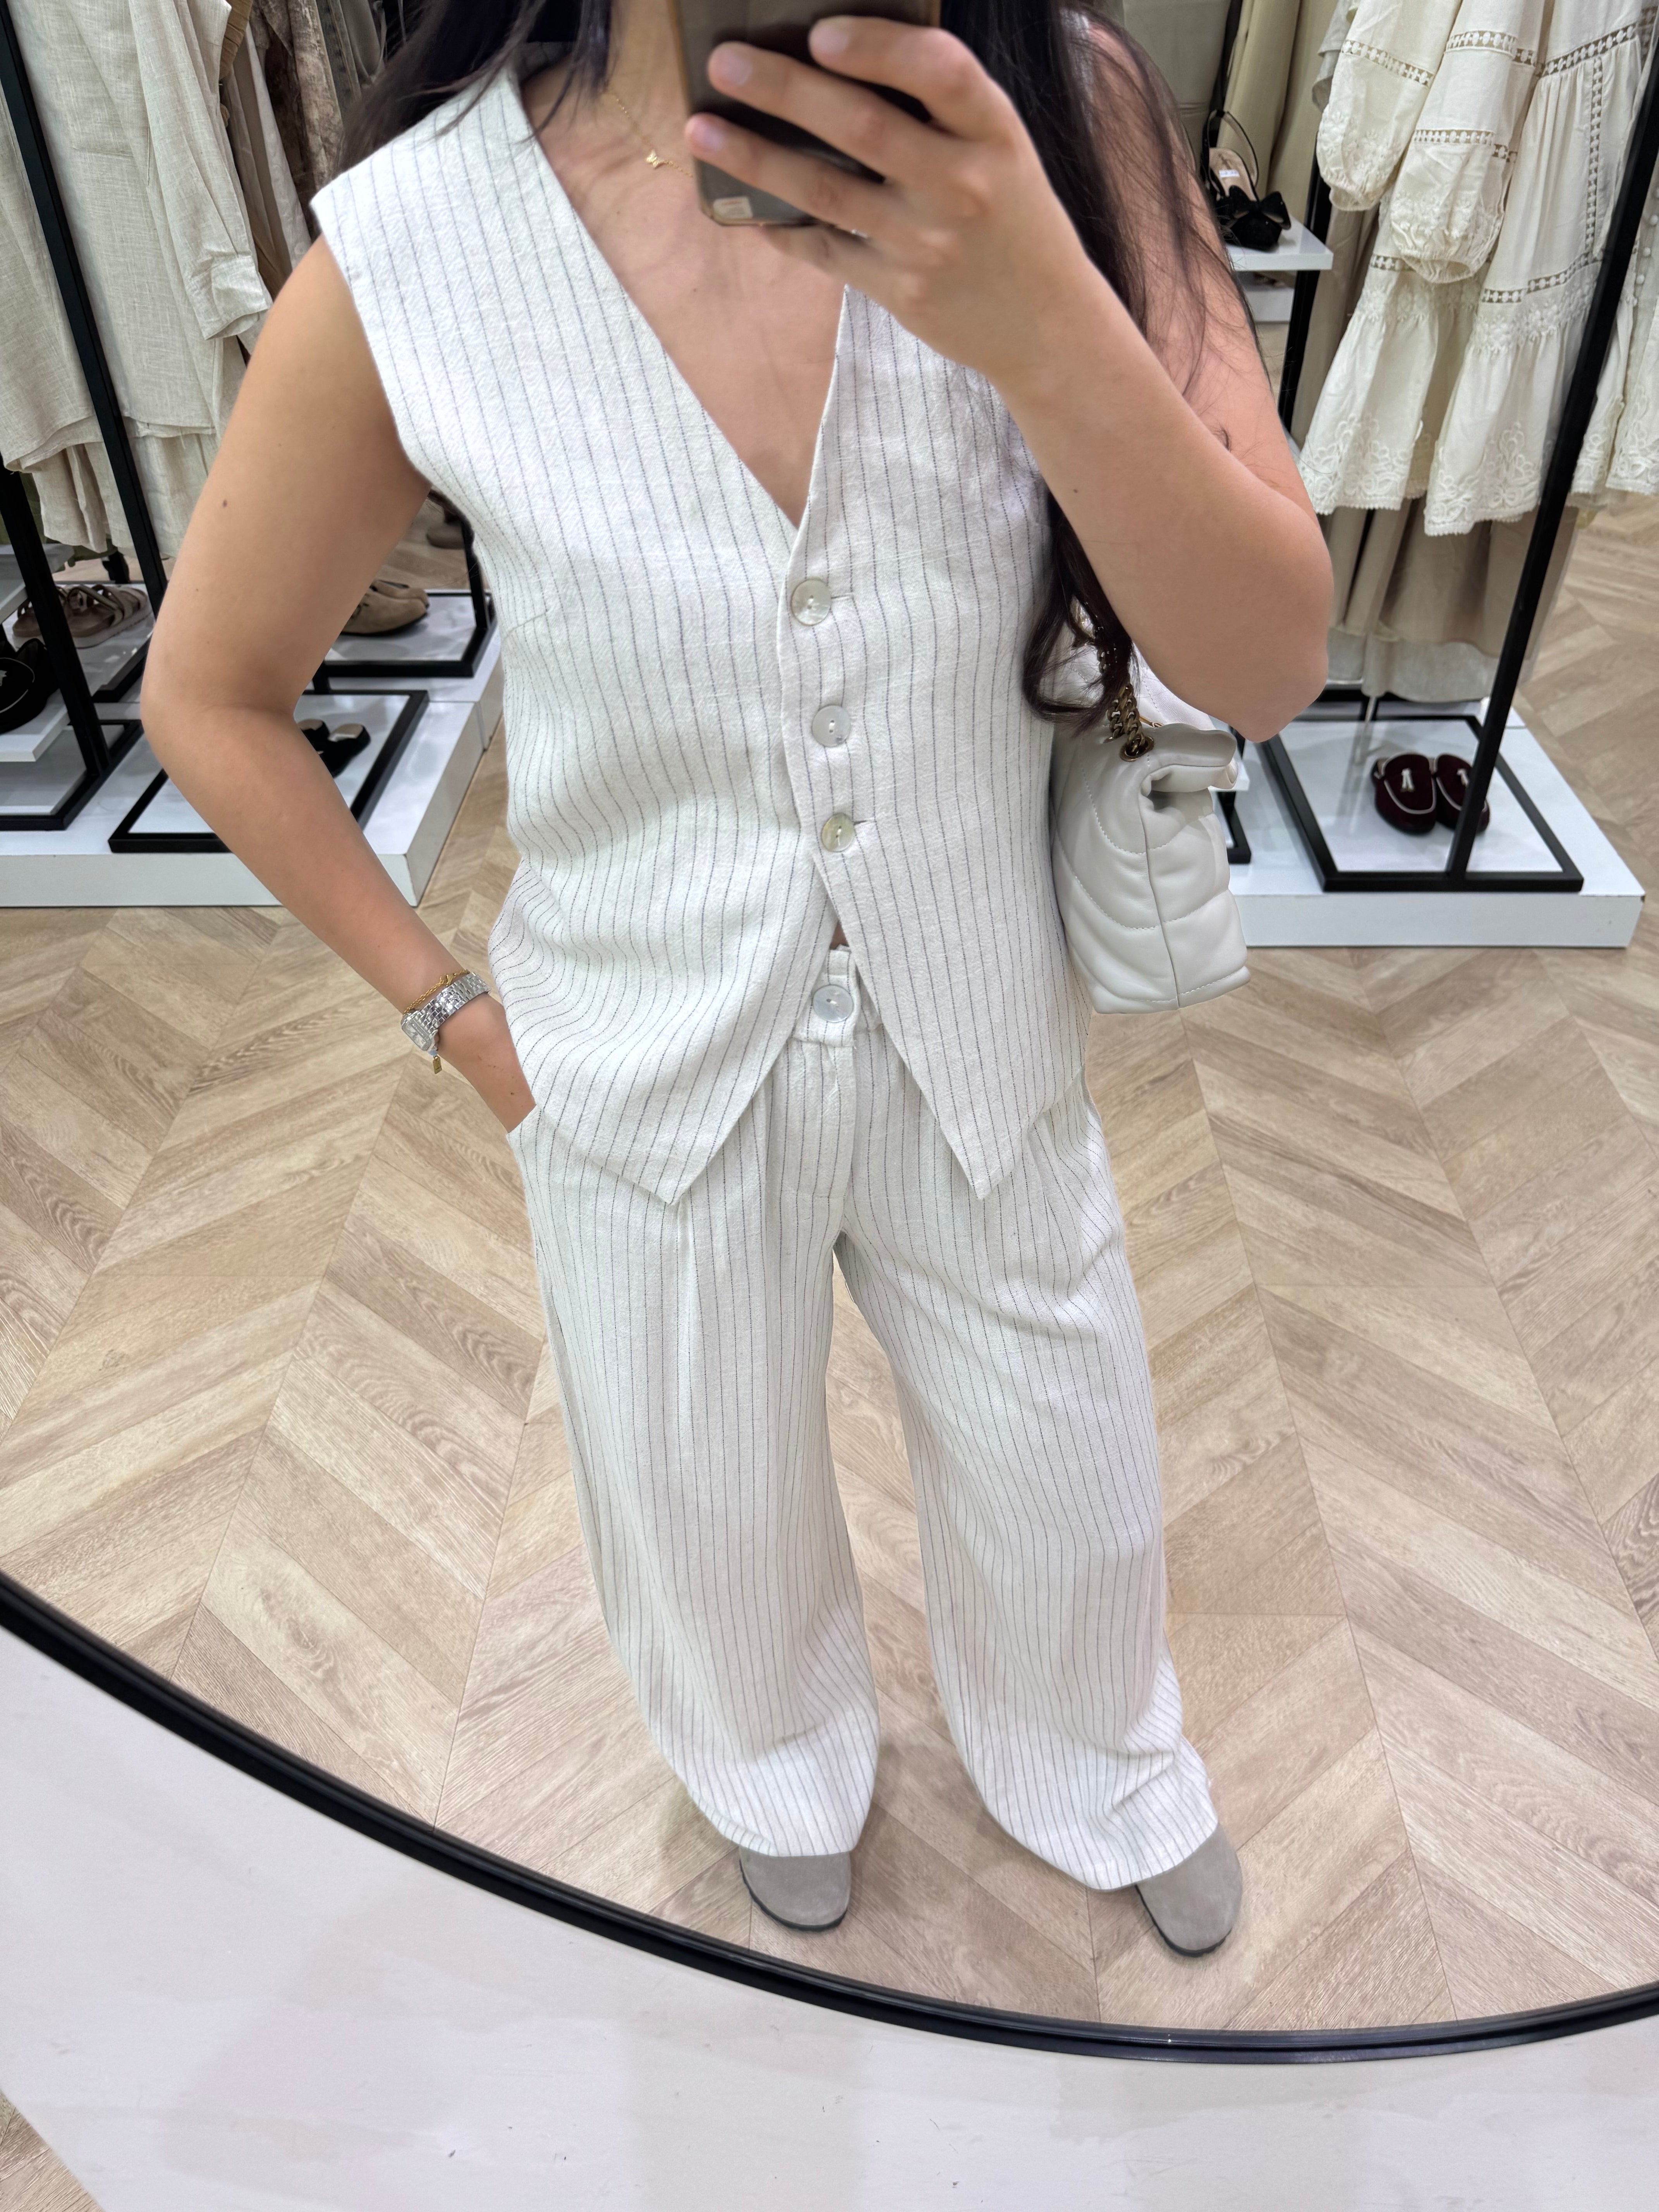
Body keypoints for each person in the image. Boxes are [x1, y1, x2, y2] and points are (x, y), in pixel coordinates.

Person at [142, 0, 1330, 1950]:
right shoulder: (421, 239)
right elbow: (209, 693)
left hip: (981, 1031)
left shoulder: (1067, 109)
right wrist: (462, 1024)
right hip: (636, 1067)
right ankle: (770, 1761)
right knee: (699, 1503)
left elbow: (1269, 664)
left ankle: (1098, 1754)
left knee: (1070, 1472)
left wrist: (1039, 312)